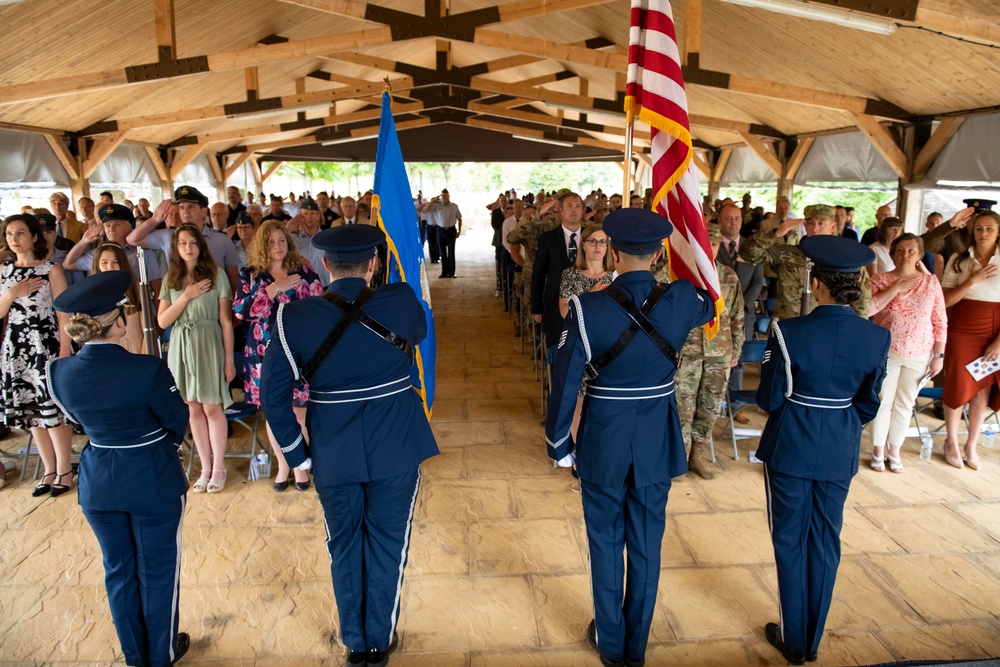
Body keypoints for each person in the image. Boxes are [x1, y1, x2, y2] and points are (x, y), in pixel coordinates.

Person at [260, 224, 438, 667]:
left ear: (323, 265)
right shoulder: (400, 301)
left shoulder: (291, 317)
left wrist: (297, 456)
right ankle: (376, 642)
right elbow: (417, 333)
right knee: (387, 544)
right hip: (396, 444)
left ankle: (355, 639)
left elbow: (271, 398)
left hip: (333, 451)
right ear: (373, 264)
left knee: (343, 543)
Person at [545, 209, 714, 667]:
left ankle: (611, 641)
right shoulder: (681, 300)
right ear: (660, 254)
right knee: (646, 543)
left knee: (604, 540)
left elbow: (565, 382)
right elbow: (711, 304)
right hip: (656, 440)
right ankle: (636, 647)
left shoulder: (587, 308)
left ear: (613, 253)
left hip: (603, 439)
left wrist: (559, 444)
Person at [756, 236, 890, 665]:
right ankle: (812, 637)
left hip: (792, 444)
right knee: (826, 540)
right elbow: (869, 403)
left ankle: (795, 641)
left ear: (817, 283)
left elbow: (769, 399)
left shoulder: (788, 331)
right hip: (840, 446)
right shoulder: (876, 337)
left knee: (790, 539)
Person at [48, 271, 191, 667]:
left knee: (119, 572)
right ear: (120, 322)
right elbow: (176, 421)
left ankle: (135, 657)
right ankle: (160, 656)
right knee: (158, 572)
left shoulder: (58, 372)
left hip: (98, 483)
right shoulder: (147, 369)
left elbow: (77, 419)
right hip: (152, 480)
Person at [233, 220, 324, 492]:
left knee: (299, 409)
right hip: (263, 349)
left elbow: (319, 302)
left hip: (298, 349)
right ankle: (284, 464)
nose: (277, 246)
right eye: (271, 242)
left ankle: (301, 466)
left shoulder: (304, 269)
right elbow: (241, 311)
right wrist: (274, 288)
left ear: (289, 242)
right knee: (274, 411)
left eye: (281, 240)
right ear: (263, 245)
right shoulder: (250, 273)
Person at [157, 224, 235, 493]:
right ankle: (205, 467)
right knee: (193, 409)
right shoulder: (172, 278)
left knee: (213, 408)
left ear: (201, 245)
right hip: (180, 343)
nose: (188, 248)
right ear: (176, 249)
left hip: (208, 341)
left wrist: (229, 360)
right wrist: (186, 296)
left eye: (192, 242)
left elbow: (226, 321)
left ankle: (219, 466)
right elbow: (163, 320)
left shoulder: (217, 275)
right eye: (182, 244)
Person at [0, 214, 74, 497]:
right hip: (17, 346)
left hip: (45, 344)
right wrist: (12, 293)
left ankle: (64, 469)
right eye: (9, 234)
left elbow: (63, 313)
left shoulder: (49, 269)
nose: (14, 239)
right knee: (33, 414)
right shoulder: (4, 272)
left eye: (20, 233)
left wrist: (65, 350)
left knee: (52, 410)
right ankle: (48, 469)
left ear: (33, 237)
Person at [868, 233, 947, 473]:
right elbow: (868, 309)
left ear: (920, 255)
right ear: (893, 254)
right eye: (901, 250)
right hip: (886, 351)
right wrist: (895, 288)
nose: (905, 255)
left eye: (911, 251)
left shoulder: (930, 282)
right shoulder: (880, 279)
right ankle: (877, 451)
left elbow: (940, 320)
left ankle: (895, 451)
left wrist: (939, 355)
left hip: (919, 352)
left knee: (905, 403)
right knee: (883, 401)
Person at [676, 224, 744, 479]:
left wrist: (736, 348)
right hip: (687, 350)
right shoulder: (680, 274)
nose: (709, 249)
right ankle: (680, 460)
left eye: (714, 244)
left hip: (719, 352)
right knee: (683, 407)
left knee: (710, 407)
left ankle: (698, 457)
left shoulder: (728, 276)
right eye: (705, 244)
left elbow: (737, 315)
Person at [940, 209, 1000, 470]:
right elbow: (945, 300)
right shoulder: (958, 259)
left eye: (989, 228)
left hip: (994, 327)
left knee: (983, 388)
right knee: (957, 383)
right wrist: (971, 280)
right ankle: (951, 441)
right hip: (962, 326)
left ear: (998, 232)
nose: (983, 233)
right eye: (979, 228)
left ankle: (971, 444)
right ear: (972, 230)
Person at [741, 204, 871, 320]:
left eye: (821, 223)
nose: (815, 229)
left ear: (833, 226)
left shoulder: (846, 261)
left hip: (825, 330)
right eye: (810, 223)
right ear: (804, 225)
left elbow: (861, 303)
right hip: (787, 329)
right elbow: (748, 253)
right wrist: (775, 234)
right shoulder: (788, 254)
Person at [533, 191, 584, 351]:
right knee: (558, 351)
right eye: (569, 206)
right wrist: (537, 309)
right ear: (560, 210)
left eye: (577, 206)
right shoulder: (548, 238)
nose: (574, 210)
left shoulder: (592, 237)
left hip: (586, 302)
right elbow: (538, 275)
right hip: (554, 305)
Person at [91, 242, 148, 354]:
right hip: (107, 354)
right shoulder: (93, 292)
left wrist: (143, 359)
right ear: (97, 265)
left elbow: (147, 331)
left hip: (134, 350)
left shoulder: (136, 288)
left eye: (115, 262)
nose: (110, 267)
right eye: (104, 263)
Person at [418, 189, 461, 278]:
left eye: (446, 196)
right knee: (442, 252)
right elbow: (425, 209)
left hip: (451, 230)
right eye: (443, 196)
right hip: (440, 230)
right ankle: (444, 272)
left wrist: (459, 231)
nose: (445, 198)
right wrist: (434, 199)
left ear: (449, 196)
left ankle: (452, 273)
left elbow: (460, 218)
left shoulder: (454, 206)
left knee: (451, 252)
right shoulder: (436, 206)